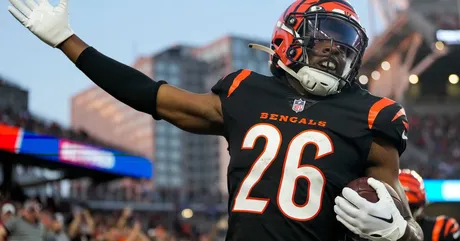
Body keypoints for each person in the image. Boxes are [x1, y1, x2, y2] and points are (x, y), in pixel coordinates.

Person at [7, 0, 423, 240]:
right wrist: (67, 40)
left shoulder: (373, 115)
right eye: (325, 40)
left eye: (345, 47)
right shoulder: (245, 91)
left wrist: (398, 233)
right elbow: (149, 95)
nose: (336, 51)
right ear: (291, 36)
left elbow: (409, 228)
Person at [399, 169, 460, 241]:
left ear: (420, 207)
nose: (404, 213)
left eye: (411, 207)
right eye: (398, 207)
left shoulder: (442, 228)